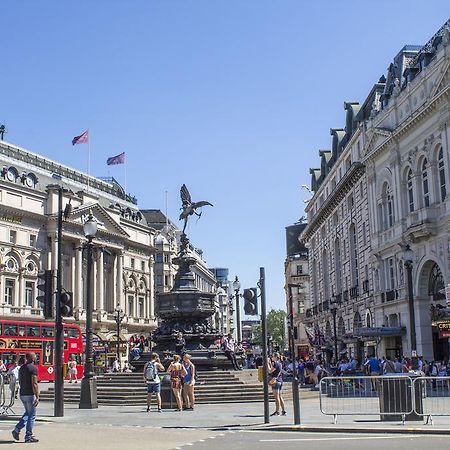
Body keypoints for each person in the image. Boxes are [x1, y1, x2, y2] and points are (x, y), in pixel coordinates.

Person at [12, 352, 40, 443]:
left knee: (28, 413)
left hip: (22, 393)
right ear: (32, 359)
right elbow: (34, 383)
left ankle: (17, 429)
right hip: (30, 394)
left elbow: (20, 380)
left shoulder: (22, 368)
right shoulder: (33, 368)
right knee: (32, 415)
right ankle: (28, 436)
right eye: (35, 357)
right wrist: (37, 396)